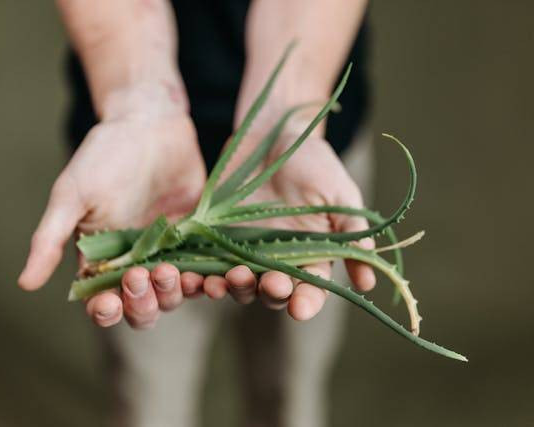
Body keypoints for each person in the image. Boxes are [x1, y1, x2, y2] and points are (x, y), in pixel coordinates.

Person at [18, 1, 374, 426]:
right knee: (145, 393)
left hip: (299, 171)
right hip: (132, 175)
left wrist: (290, 111)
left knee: (288, 390)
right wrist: (136, 99)